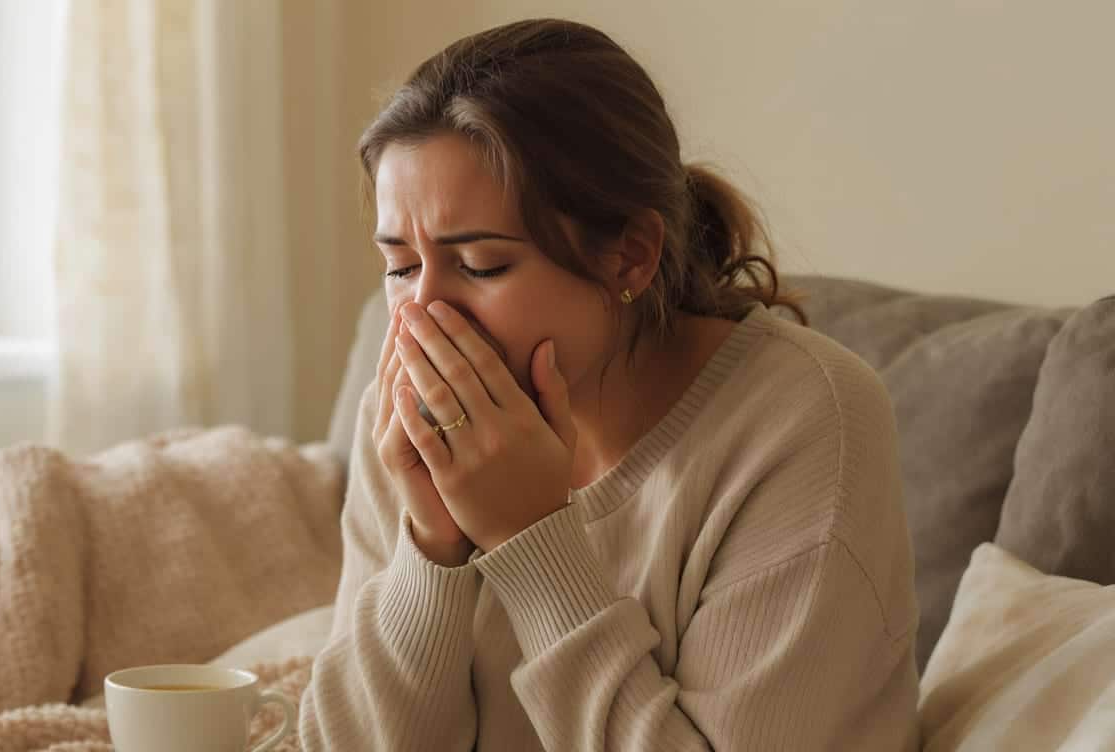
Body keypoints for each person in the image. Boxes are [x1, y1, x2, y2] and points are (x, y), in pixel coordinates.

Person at [298, 17, 919, 751]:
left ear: (629, 256)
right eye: (401, 266)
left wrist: (530, 540)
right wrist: (431, 549)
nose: (426, 313)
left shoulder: (804, 419)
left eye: (483, 264)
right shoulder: (408, 415)